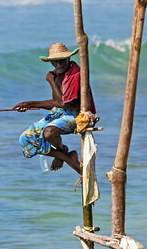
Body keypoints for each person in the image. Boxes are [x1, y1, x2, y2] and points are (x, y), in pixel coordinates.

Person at [13, 42, 96, 174]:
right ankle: (64, 154)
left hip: (76, 114)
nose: (58, 65)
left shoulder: (74, 74)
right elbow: (57, 103)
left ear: (68, 58)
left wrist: (51, 81)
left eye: (61, 61)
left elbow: (63, 103)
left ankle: (65, 156)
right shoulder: (58, 74)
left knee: (49, 133)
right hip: (60, 112)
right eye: (54, 62)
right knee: (25, 138)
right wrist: (29, 104)